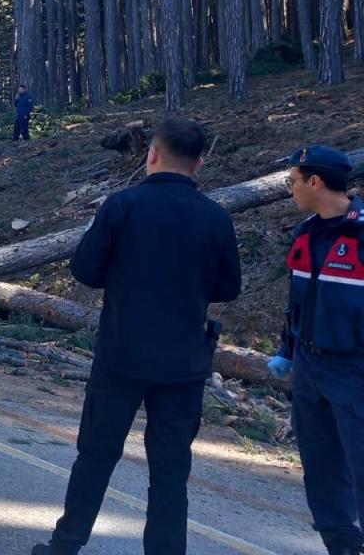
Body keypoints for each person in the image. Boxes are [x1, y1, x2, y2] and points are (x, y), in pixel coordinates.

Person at [33, 118, 242, 555]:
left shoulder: (122, 205)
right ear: (199, 163)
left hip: (121, 356)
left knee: (95, 456)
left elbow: (86, 270)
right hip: (184, 364)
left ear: (151, 153)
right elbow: (228, 288)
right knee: (169, 472)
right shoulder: (215, 217)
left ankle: (65, 546)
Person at [267, 145, 363, 555]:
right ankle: (340, 546)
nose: (290, 190)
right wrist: (287, 350)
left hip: (355, 372)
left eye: (293, 182)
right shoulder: (306, 232)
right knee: (321, 468)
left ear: (316, 182)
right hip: (308, 367)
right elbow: (298, 302)